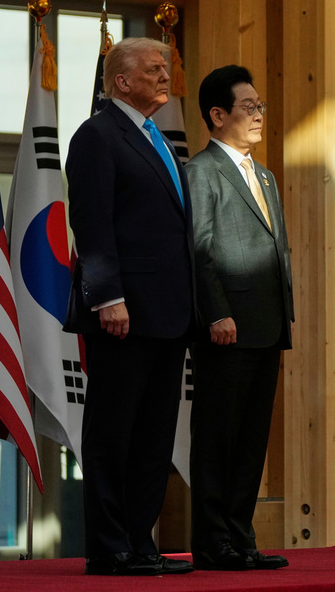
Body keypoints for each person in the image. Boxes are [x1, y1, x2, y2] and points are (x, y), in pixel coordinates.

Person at [64, 37, 195, 576]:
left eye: (165, 68)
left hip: (168, 315)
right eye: (154, 69)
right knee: (113, 434)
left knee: (153, 437)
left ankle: (140, 543)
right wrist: (108, 297)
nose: (166, 77)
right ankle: (109, 548)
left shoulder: (155, 138)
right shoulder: (97, 136)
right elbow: (92, 225)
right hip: (123, 313)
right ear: (121, 80)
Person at [187, 65, 294, 571]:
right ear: (217, 114)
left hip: (267, 326)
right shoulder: (201, 171)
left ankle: (241, 537)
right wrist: (216, 313)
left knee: (251, 439)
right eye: (248, 107)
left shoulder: (265, 174)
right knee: (218, 437)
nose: (258, 115)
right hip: (226, 328)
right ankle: (213, 543)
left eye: (260, 106)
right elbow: (200, 249)